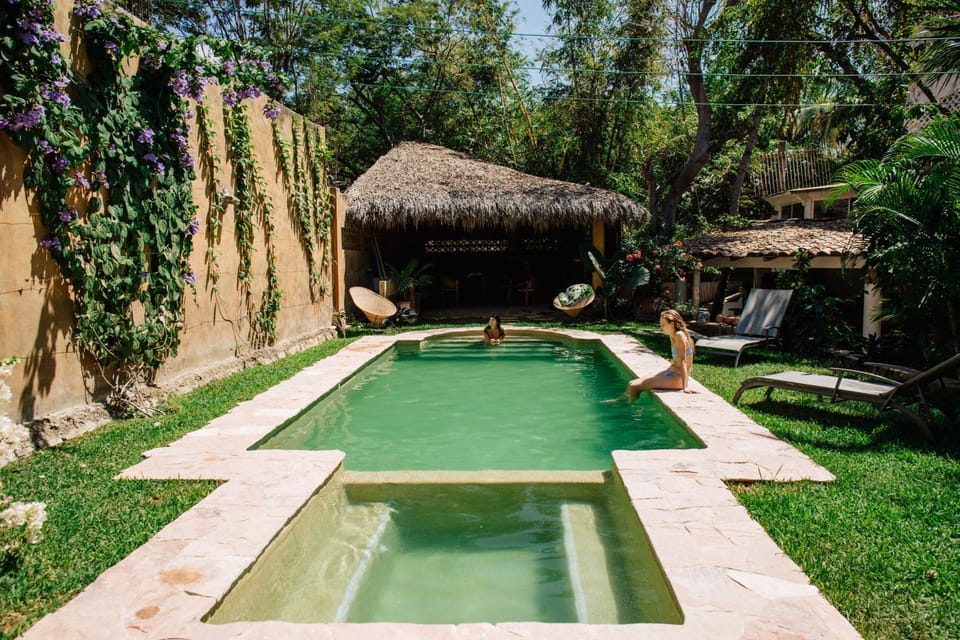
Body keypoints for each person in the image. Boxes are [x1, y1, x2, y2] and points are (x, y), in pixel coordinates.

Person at [625, 309, 697, 400]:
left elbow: (683, 361)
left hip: (678, 378)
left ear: (671, 324)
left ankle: (629, 407)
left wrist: (685, 387)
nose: (661, 327)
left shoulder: (679, 335)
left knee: (634, 386)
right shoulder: (672, 335)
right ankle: (626, 401)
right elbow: (676, 361)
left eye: (663, 325)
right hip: (671, 372)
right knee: (631, 383)